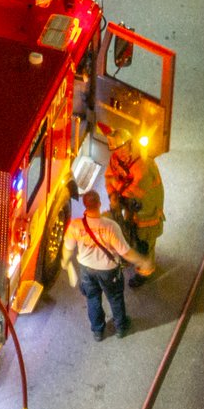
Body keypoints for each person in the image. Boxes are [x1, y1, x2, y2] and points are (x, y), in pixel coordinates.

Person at [62, 190, 154, 341]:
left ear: (85, 205)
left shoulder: (75, 226)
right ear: (99, 203)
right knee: (115, 298)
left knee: (92, 298)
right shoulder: (110, 227)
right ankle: (121, 328)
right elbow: (125, 252)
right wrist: (143, 261)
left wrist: (65, 261)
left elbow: (68, 248)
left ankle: (98, 331)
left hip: (86, 270)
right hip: (108, 271)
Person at [104, 127, 165, 288]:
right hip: (131, 206)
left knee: (145, 241)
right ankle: (133, 256)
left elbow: (135, 190)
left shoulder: (143, 163)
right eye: (115, 150)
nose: (119, 153)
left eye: (121, 149)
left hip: (146, 210)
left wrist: (117, 200)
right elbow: (110, 177)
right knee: (130, 232)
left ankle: (145, 272)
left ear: (129, 144)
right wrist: (112, 195)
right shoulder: (116, 159)